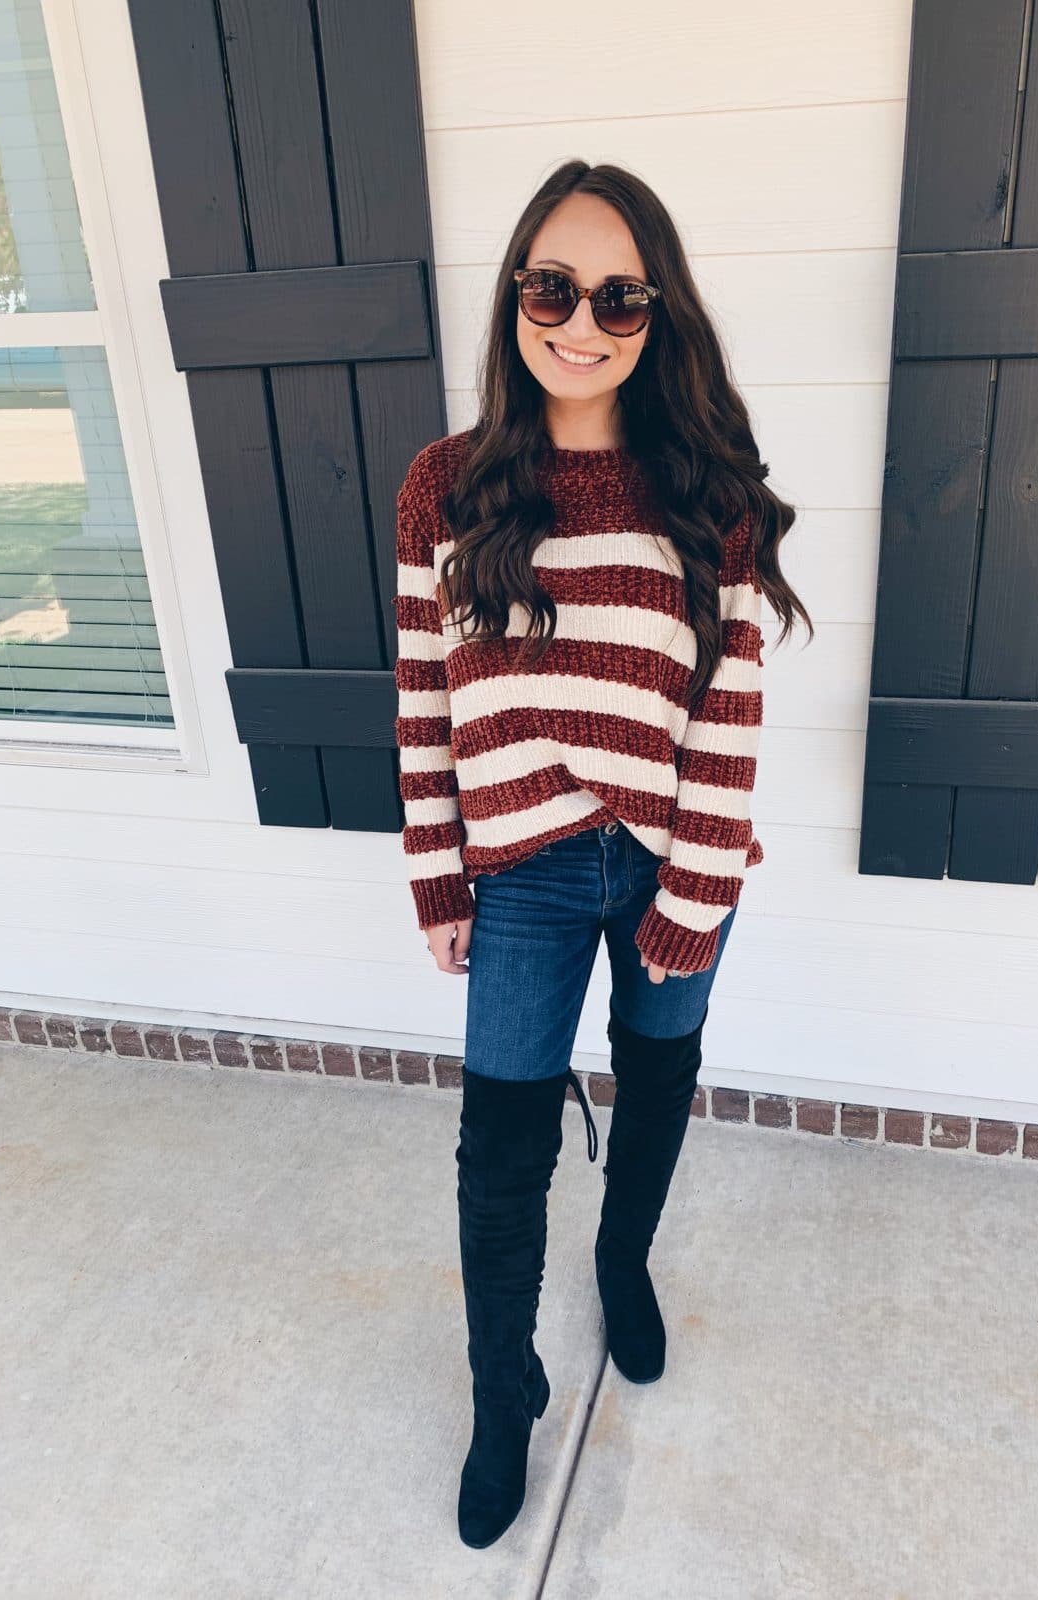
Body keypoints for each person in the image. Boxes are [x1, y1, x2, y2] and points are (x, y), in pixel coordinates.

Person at [393, 158, 810, 1550]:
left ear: (658, 313)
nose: (582, 320)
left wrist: (693, 900)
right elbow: (421, 693)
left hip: (677, 862)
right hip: (519, 870)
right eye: (553, 287)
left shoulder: (706, 487)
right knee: (498, 1150)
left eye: (619, 295)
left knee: (658, 1080)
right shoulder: (445, 488)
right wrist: (439, 870)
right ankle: (499, 1391)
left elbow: (732, 708)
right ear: (516, 295)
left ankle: (622, 1263)